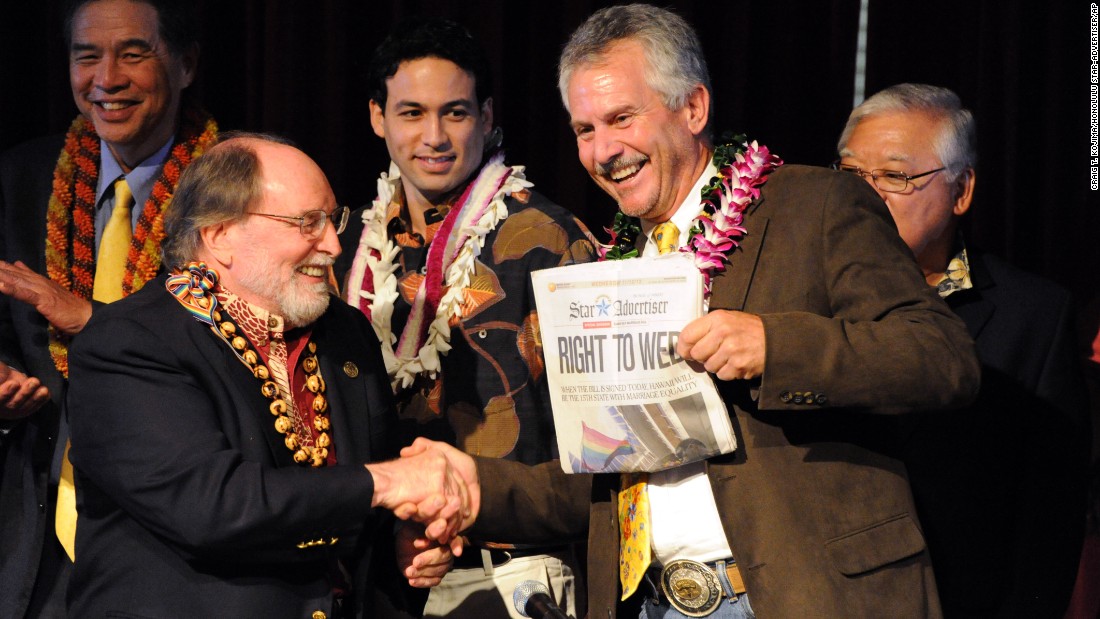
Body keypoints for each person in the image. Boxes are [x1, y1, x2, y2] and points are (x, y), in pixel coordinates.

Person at [403, 5, 982, 618]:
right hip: (648, 603)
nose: (604, 151)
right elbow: (595, 482)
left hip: (801, 595)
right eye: (584, 130)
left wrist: (775, 347)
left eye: (622, 118)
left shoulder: (817, 204)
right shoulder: (605, 268)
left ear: (694, 109)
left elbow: (942, 358)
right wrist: (471, 484)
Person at [64, 132, 472, 618]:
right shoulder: (129, 343)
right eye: (307, 223)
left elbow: (363, 512)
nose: (333, 244)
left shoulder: (345, 334)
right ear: (220, 235)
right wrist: (388, 483)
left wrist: (405, 544)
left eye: (332, 219)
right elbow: (213, 507)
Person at [336, 18, 597, 619]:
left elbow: (598, 438)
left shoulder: (549, 242)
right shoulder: (344, 244)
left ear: (485, 116)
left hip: (509, 569)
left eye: (454, 112)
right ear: (378, 117)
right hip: (373, 567)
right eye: (410, 113)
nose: (434, 136)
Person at [836, 83, 1090, 617]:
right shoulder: (802, 300)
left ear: (962, 190)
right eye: (853, 174)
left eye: (896, 176)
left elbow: (1050, 513)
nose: (866, 195)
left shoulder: (1035, 316)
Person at [0, 1, 217, 615]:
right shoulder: (21, 178)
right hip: (36, 540)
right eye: (86, 55)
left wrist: (94, 321)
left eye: (133, 53)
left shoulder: (235, 188)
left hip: (176, 544)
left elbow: (245, 357)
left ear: (186, 63)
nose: (106, 78)